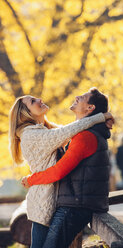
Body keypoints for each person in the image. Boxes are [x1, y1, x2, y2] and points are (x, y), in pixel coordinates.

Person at [9, 93, 114, 248]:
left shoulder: (43, 130)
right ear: (26, 113)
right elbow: (68, 132)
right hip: (43, 200)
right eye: (33, 101)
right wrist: (101, 117)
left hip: (54, 198)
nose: (39, 99)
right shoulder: (32, 134)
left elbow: (72, 130)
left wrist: (101, 120)